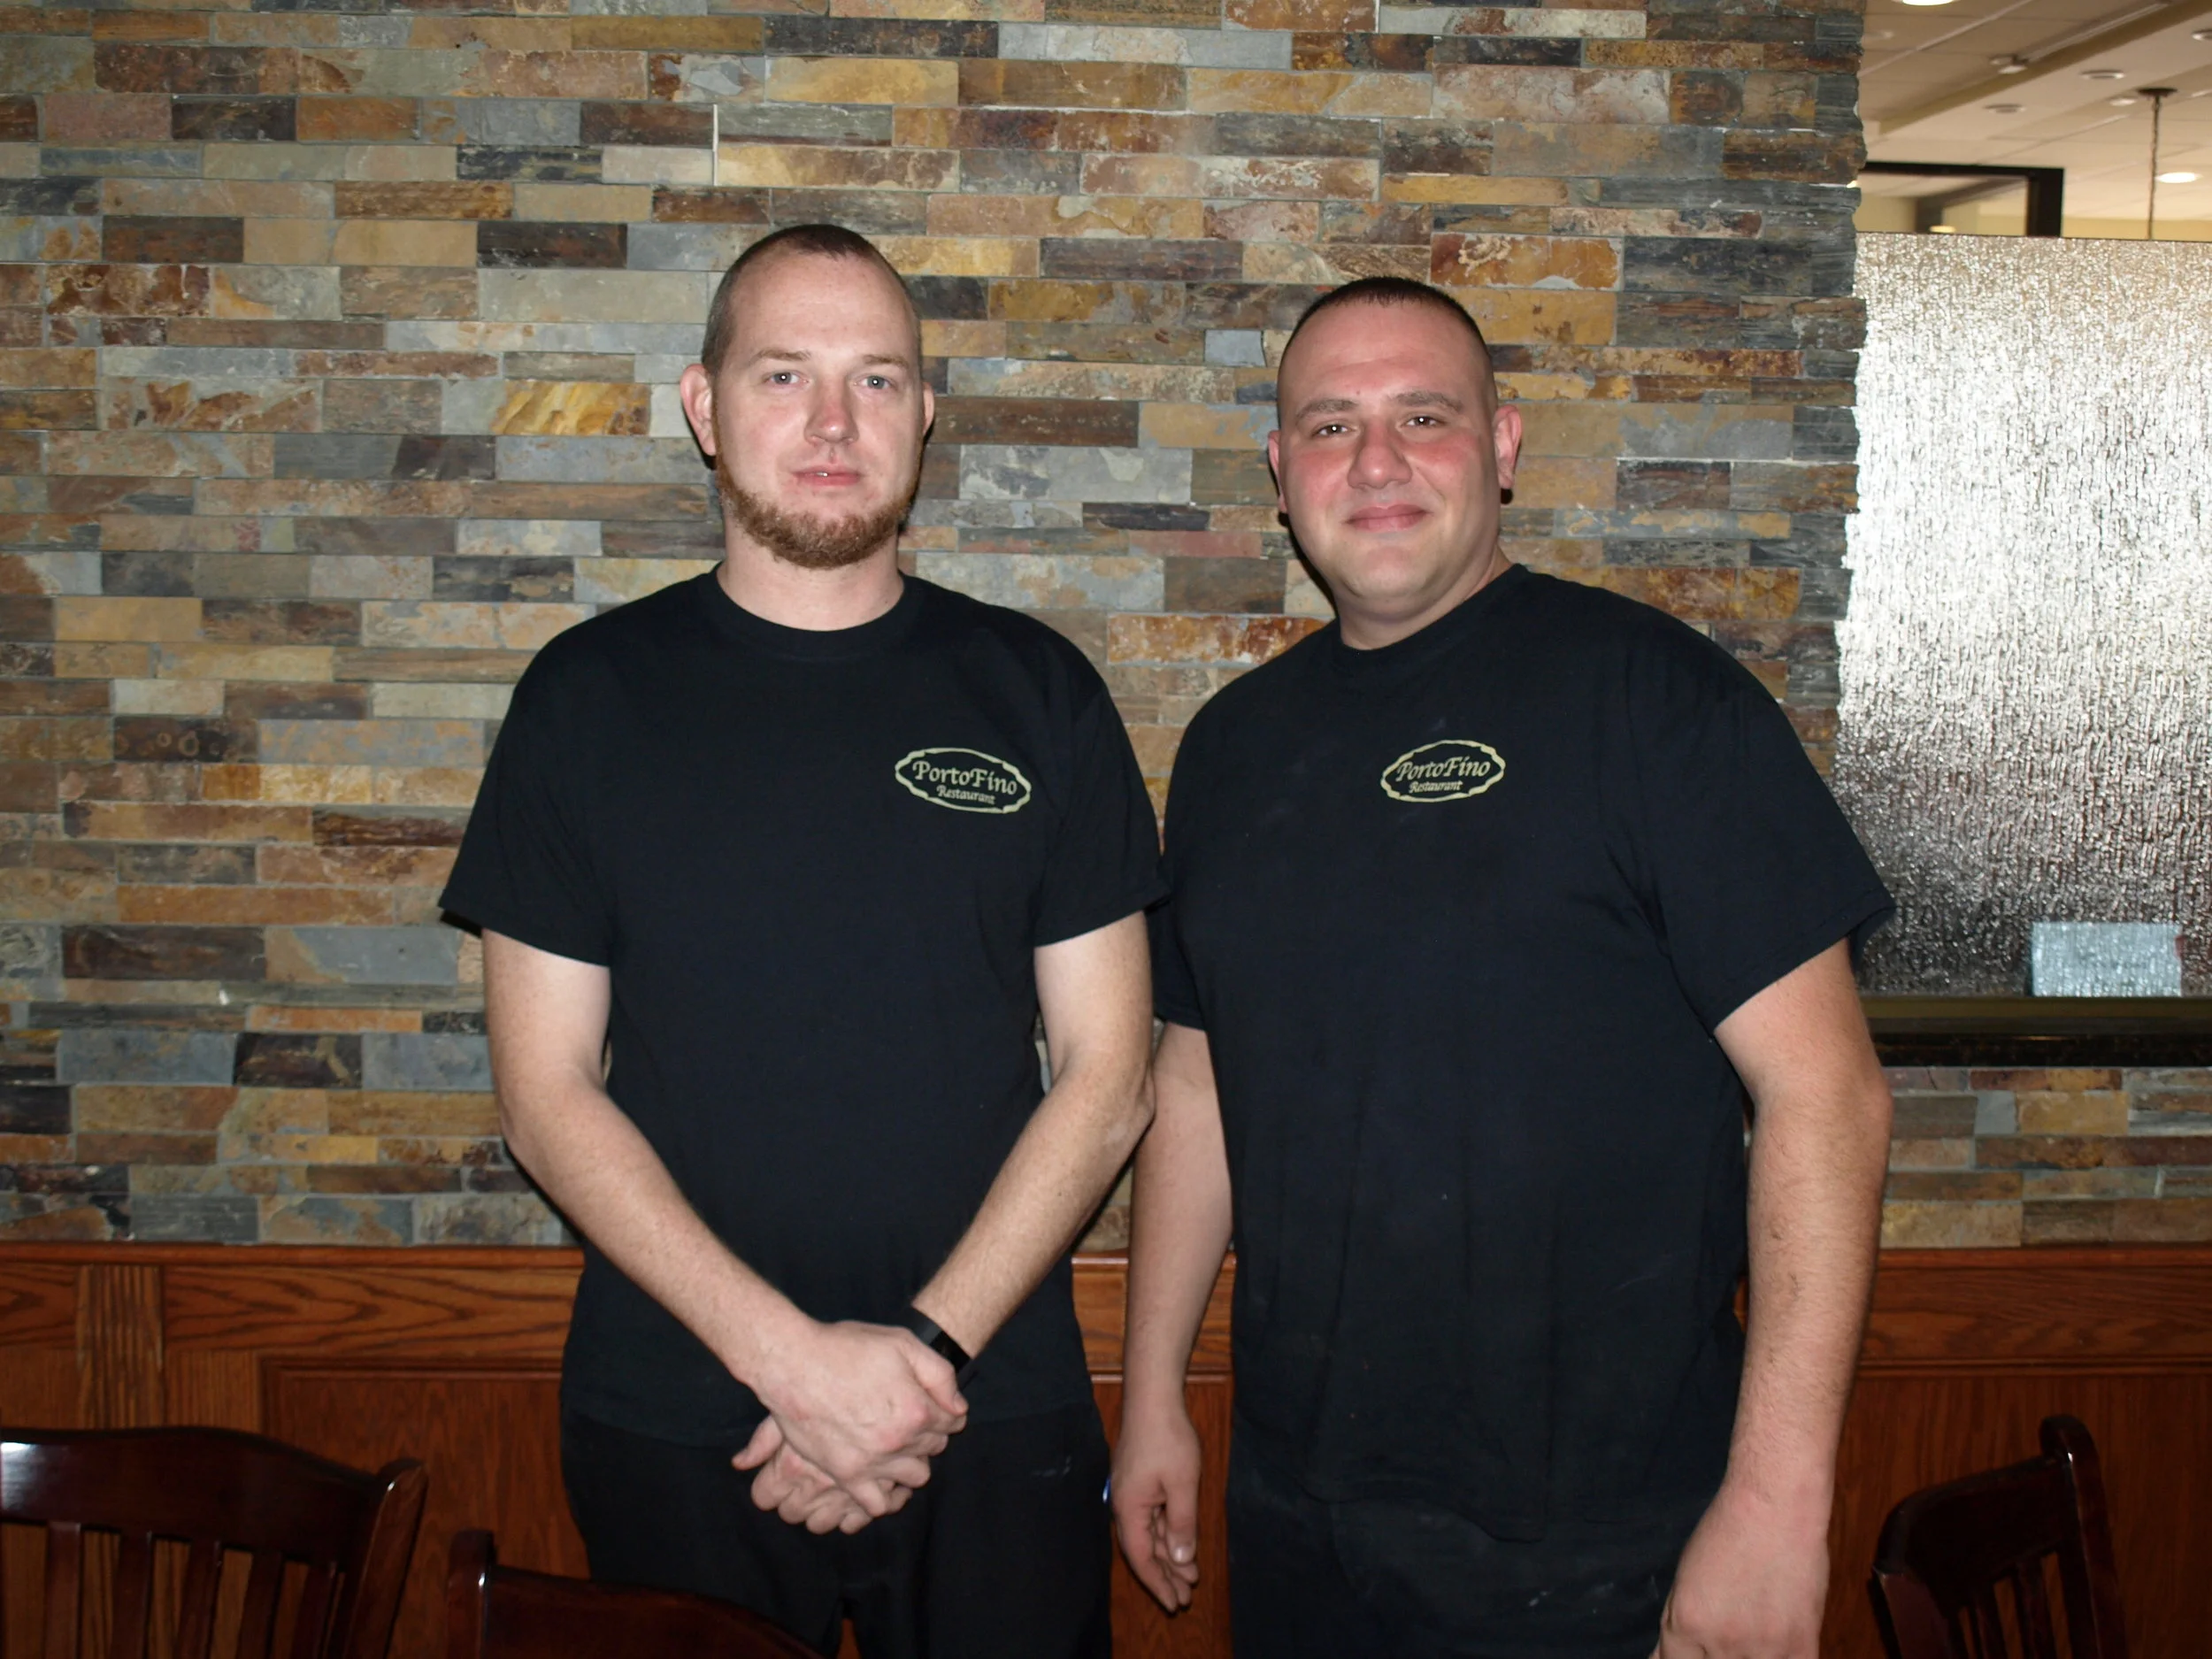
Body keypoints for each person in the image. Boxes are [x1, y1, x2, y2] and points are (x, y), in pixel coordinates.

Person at [1110, 276, 1896, 1659]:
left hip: (1605, 1536)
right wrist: (1154, 1386)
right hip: (1306, 1512)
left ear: (1507, 443)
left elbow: (1830, 1100)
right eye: (1332, 424)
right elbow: (1197, 1073)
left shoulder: (1658, 703)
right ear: (1281, 472)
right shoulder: (1234, 749)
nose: (1379, 461)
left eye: (1426, 415)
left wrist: (1778, 1506)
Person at [442, 225, 1161, 1659]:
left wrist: (921, 1360)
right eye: (786, 375)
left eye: (877, 381)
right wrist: (794, 1364)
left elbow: (1109, 1072)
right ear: (705, 407)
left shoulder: (1039, 692)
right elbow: (545, 1094)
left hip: (988, 1402)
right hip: (682, 1406)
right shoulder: (586, 701)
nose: (835, 424)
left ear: (926, 411)